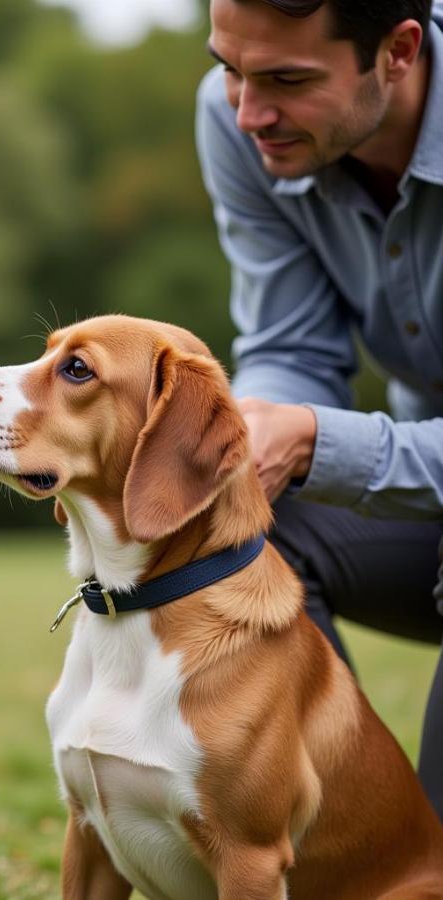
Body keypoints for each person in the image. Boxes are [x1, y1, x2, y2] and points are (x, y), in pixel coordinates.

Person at [196, 0, 443, 819]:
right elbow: (292, 344)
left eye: (286, 80)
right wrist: (256, 434)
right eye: (230, 67)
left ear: (399, 51)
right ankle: (342, 843)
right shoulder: (234, 121)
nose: (246, 111)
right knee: (245, 516)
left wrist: (316, 442)